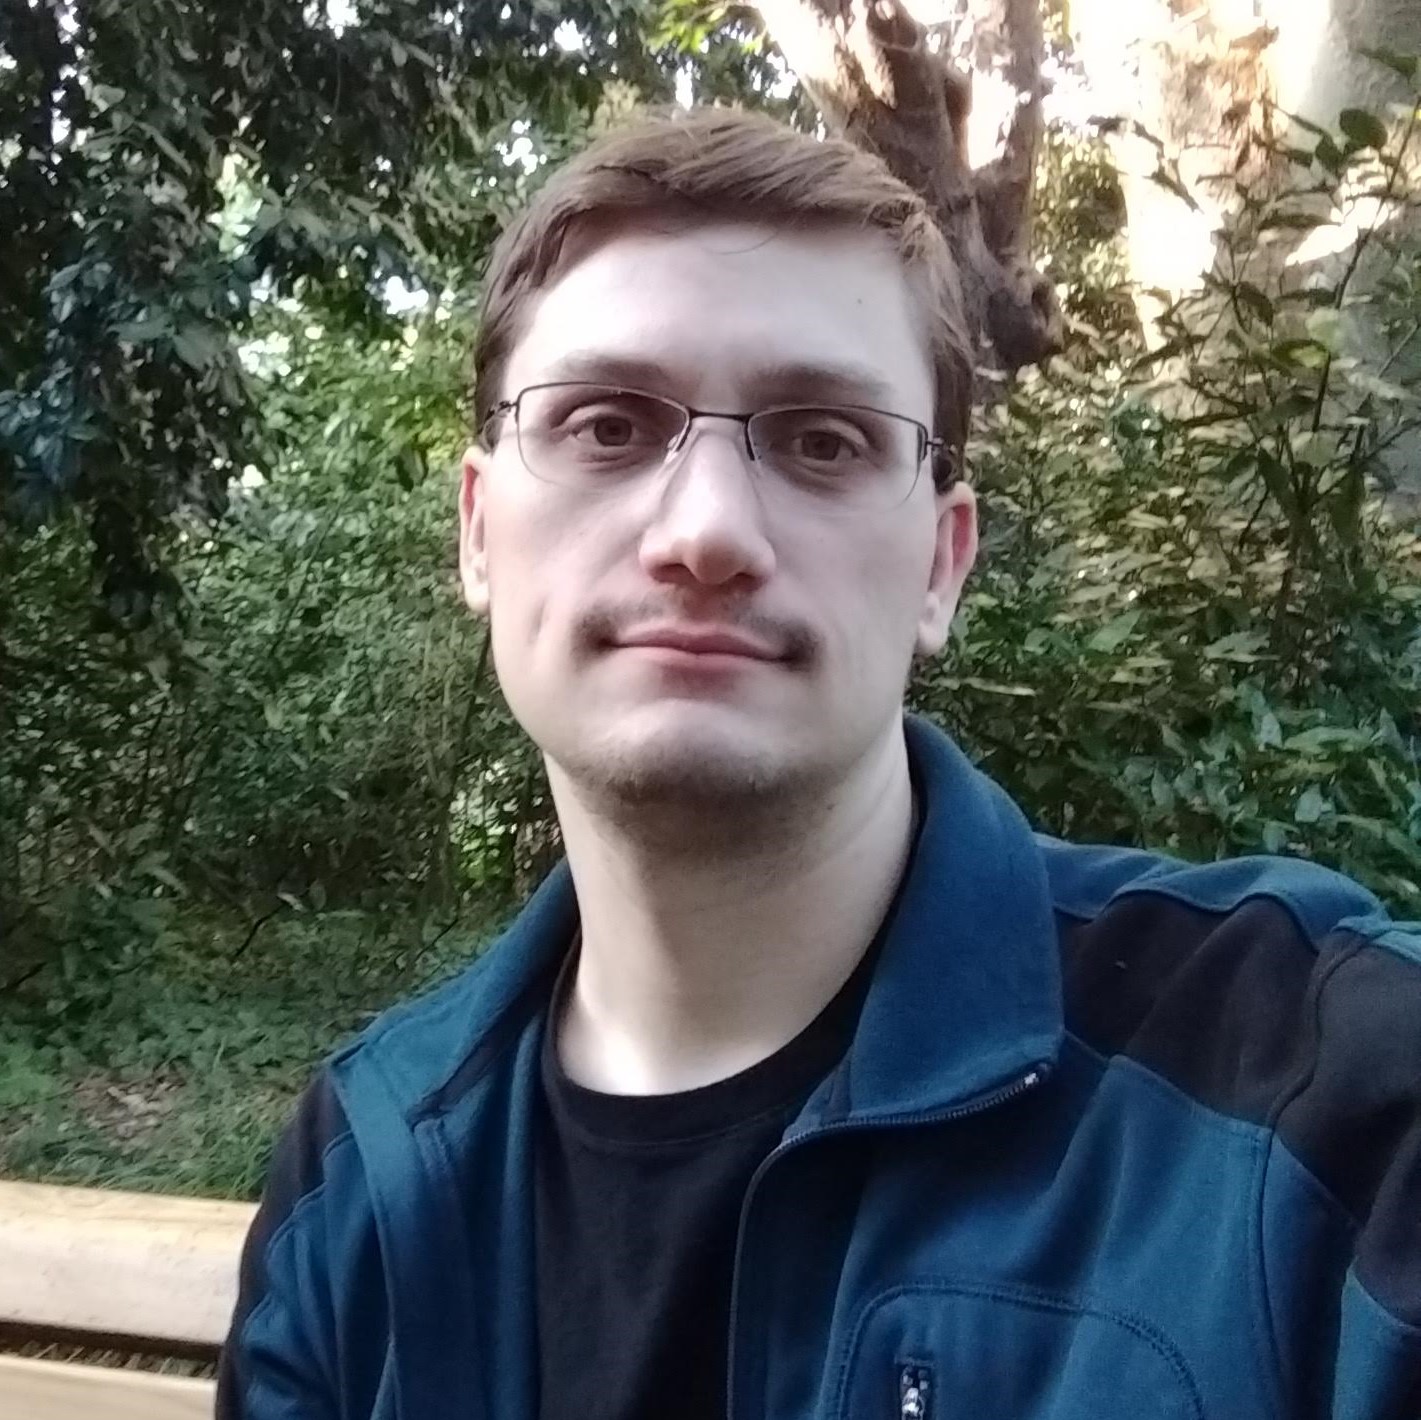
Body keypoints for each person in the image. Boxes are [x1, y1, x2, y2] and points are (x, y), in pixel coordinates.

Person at [216, 105, 1421, 1420]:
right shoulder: (360, 1177)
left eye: (821, 440)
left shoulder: (1320, 1101)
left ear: (941, 566)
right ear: (477, 531)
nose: (707, 532)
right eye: (608, 424)